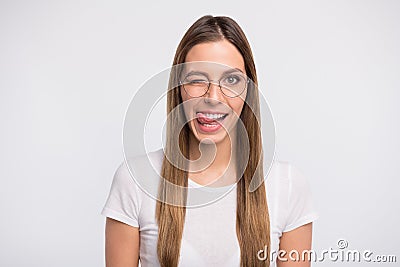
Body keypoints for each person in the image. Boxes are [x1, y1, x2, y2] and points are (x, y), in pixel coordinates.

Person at [101, 15, 319, 267]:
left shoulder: (288, 185)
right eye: (197, 79)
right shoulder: (134, 180)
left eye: (231, 80)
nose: (213, 97)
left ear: (248, 89)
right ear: (178, 88)